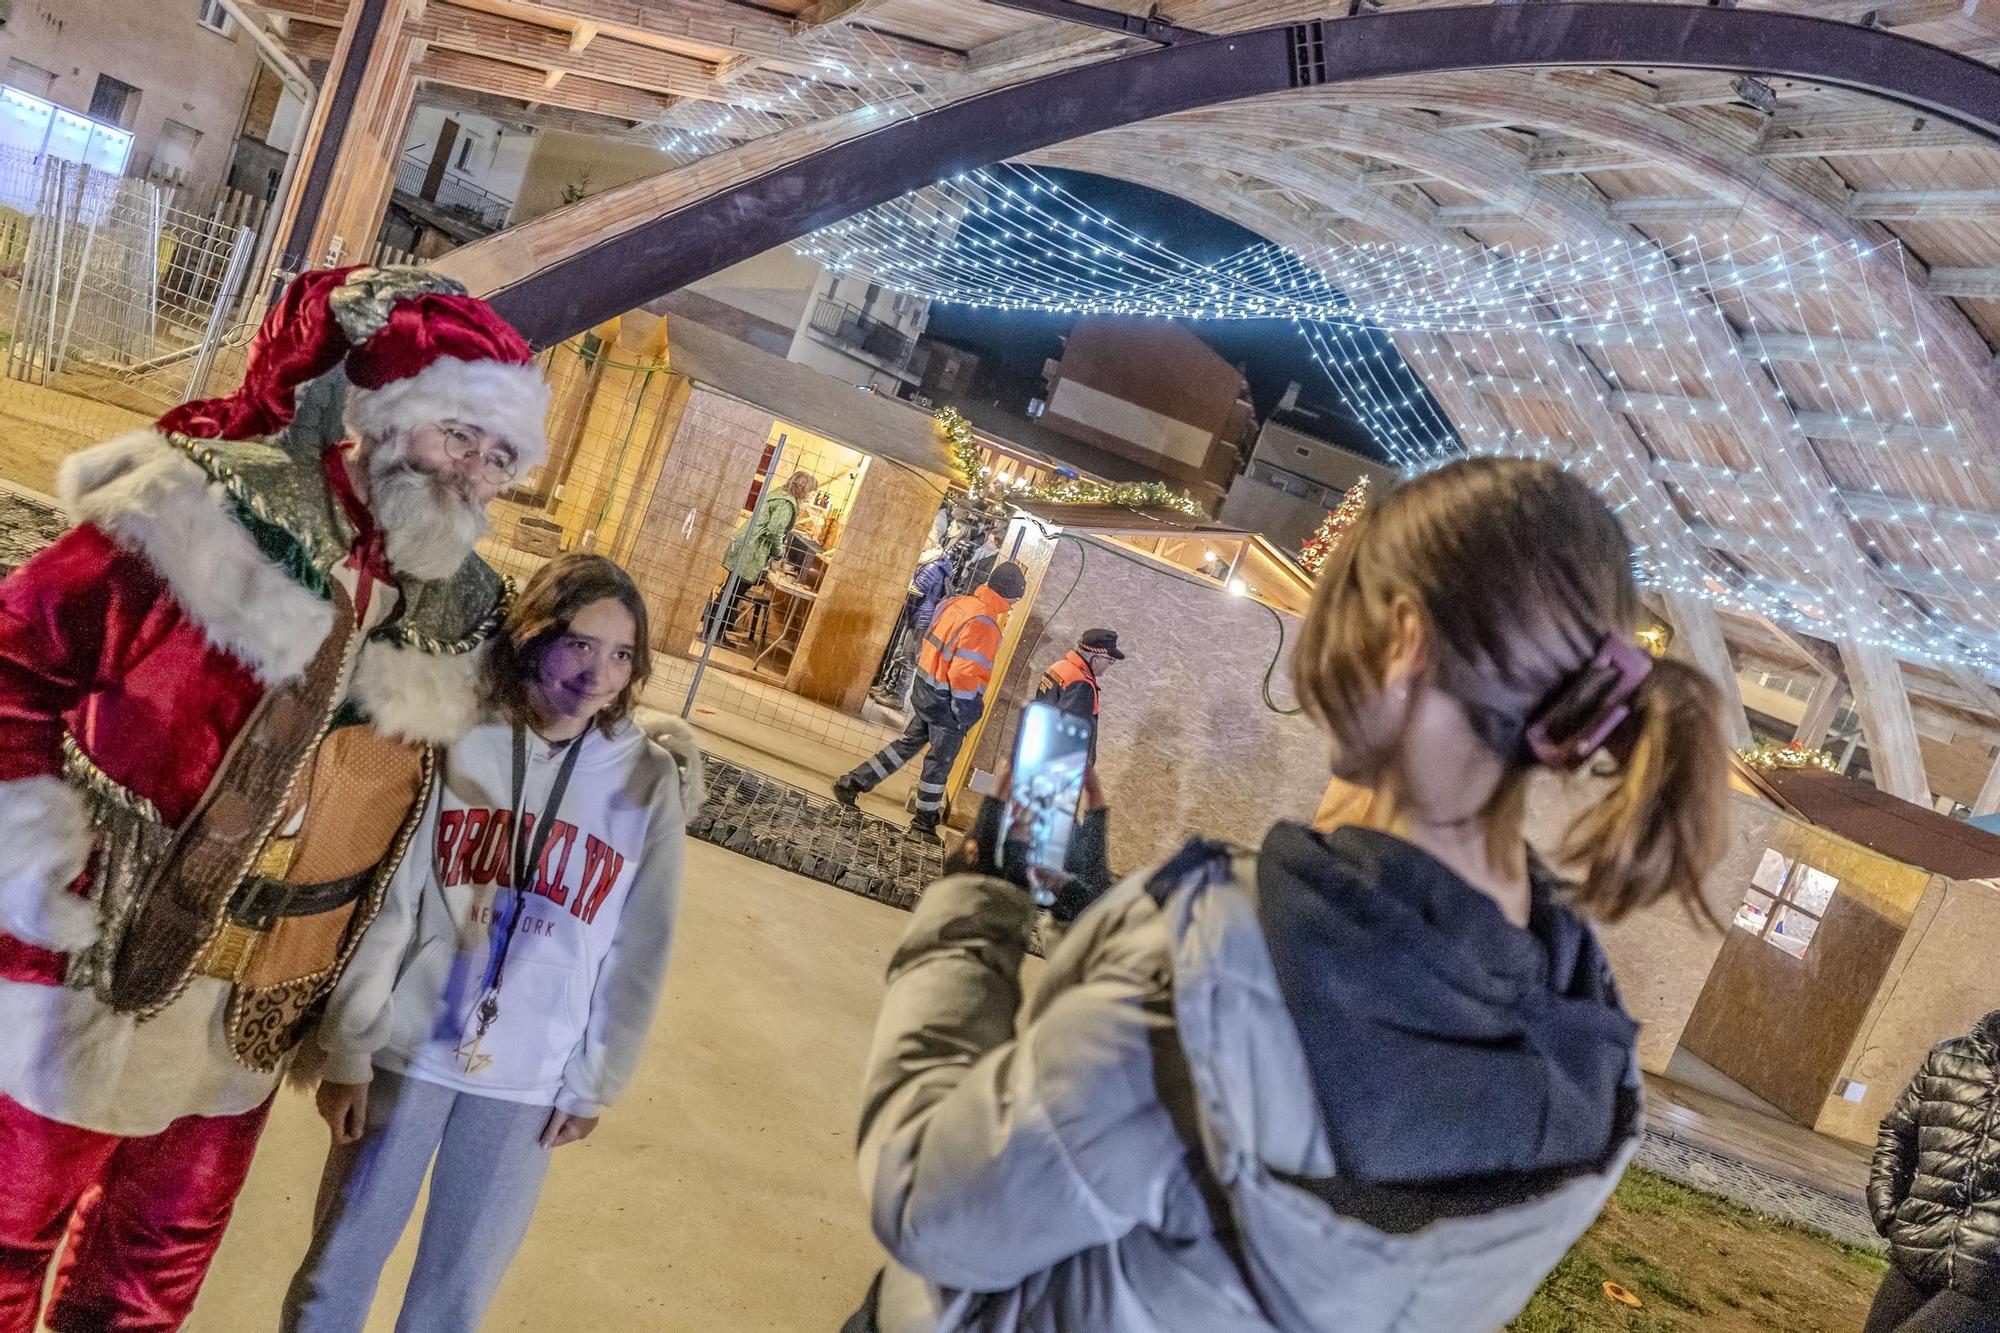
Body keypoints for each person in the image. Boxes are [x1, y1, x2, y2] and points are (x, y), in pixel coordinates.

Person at [847, 456, 1731, 1331]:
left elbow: (931, 1207)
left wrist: (977, 904)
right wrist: (1097, 895)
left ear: (1402, 643)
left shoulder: (1210, 962)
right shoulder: (1590, 1052)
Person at [0, 265, 548, 1333]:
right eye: (456, 437)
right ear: (387, 417)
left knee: (149, 1284)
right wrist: (36, 866)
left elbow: (511, 760)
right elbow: (15, 664)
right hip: (84, 963)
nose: (471, 475)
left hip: (247, 1017)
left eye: (496, 456)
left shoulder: (461, 608)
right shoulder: (199, 498)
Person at [282, 553, 698, 1333]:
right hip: (408, 1049)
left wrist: (595, 1079)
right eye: (580, 643)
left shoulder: (646, 783)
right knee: (335, 1271)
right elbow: (394, 902)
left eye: (621, 655)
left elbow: (641, 947)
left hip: (529, 1080)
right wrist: (348, 1047)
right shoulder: (462, 737)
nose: (599, 672)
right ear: (535, 634)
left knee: (454, 1297)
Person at [834, 561, 1028, 838]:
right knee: (939, 763)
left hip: (925, 688)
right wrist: (965, 708)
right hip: (947, 700)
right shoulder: (985, 623)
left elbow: (931, 642)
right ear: (1011, 597)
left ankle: (851, 784)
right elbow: (964, 672)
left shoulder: (956, 603)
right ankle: (923, 824)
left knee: (906, 745)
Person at [1865, 1011, 2000, 1332]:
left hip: (1987, 1275)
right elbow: (1897, 1132)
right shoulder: (1948, 1060)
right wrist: (1885, 1206)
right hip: (1917, 1248)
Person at [710, 470, 817, 640]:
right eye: (811, 491)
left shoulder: (778, 494)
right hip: (752, 550)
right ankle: (714, 634)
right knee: (733, 592)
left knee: (730, 590)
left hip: (745, 544)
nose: (811, 496)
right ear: (804, 489)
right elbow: (775, 531)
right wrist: (777, 553)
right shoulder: (786, 504)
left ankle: (714, 631)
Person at [1032, 629, 1124, 763]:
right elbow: (1070, 736)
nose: (1109, 665)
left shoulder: (1059, 667)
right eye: (1110, 660)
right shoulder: (1081, 684)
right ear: (1096, 659)